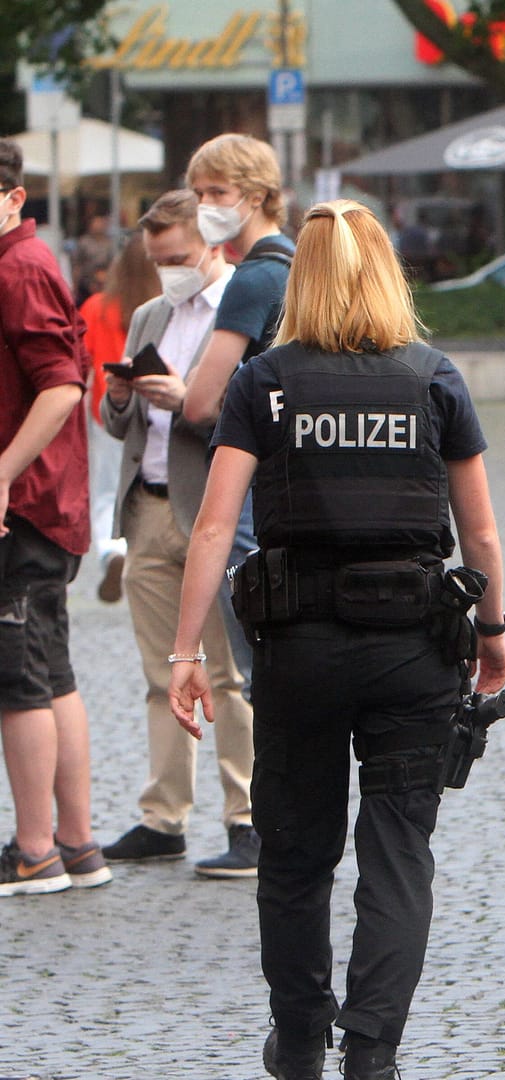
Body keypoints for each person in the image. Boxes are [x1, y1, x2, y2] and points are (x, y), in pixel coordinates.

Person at [169, 199, 505, 1080]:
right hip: (415, 650)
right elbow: (480, 535)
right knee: (398, 850)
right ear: (387, 272)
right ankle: (373, 1046)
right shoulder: (433, 377)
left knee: (295, 851)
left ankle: (299, 1038)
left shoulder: (265, 381)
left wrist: (184, 656)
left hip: (300, 651)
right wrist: (495, 631)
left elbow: (212, 530)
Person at [97, 191, 258, 877]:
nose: (169, 272)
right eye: (158, 261)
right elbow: (115, 425)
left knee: (225, 675)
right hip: (149, 508)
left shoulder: (240, 313)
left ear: (212, 244)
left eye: (180, 259)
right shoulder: (148, 316)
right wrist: (125, 397)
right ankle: (163, 815)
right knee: (158, 672)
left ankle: (247, 815)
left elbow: (244, 422)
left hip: (211, 515)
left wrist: (187, 403)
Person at [0, 137, 106, 896]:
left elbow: (61, 387)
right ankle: (75, 845)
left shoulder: (18, 267)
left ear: (14, 197)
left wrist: (1, 473)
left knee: (19, 680)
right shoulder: (24, 264)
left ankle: (34, 850)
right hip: (45, 501)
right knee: (51, 671)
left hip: (27, 504)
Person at [182, 132, 294, 693]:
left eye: (217, 191)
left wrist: (173, 394)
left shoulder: (252, 277)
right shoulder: (301, 263)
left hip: (247, 484)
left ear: (256, 195)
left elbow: (200, 401)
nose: (205, 205)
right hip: (298, 479)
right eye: (198, 192)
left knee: (258, 673)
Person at [78, 237, 161, 603]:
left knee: (107, 490)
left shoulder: (96, 307)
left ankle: (111, 550)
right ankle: (145, 553)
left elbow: (80, 368)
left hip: (108, 413)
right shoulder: (163, 308)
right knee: (152, 486)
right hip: (155, 412)